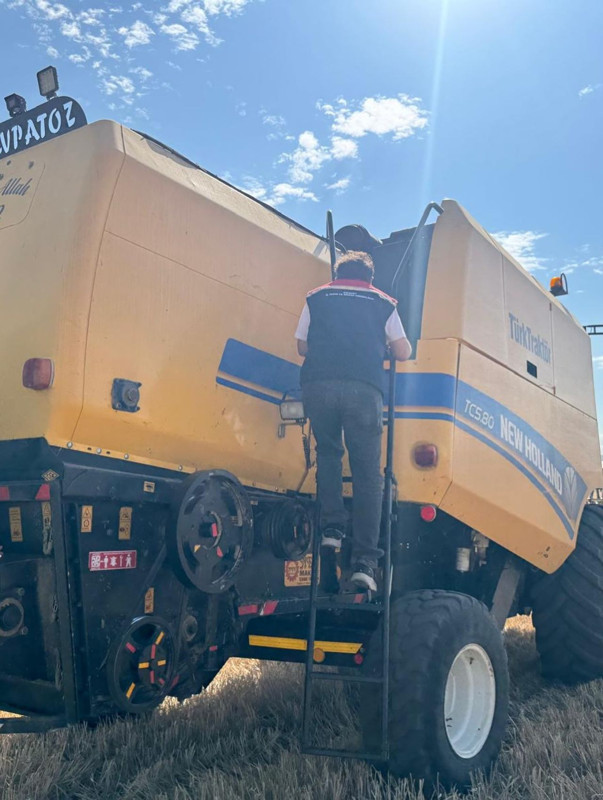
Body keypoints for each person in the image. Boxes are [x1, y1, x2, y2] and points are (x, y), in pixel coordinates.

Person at [295, 250, 412, 591]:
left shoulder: (316, 297)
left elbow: (301, 346)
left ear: (337, 274)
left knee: (328, 454)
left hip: (318, 385)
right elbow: (403, 351)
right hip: (364, 390)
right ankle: (364, 562)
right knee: (367, 474)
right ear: (369, 277)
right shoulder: (383, 302)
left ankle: (331, 531)